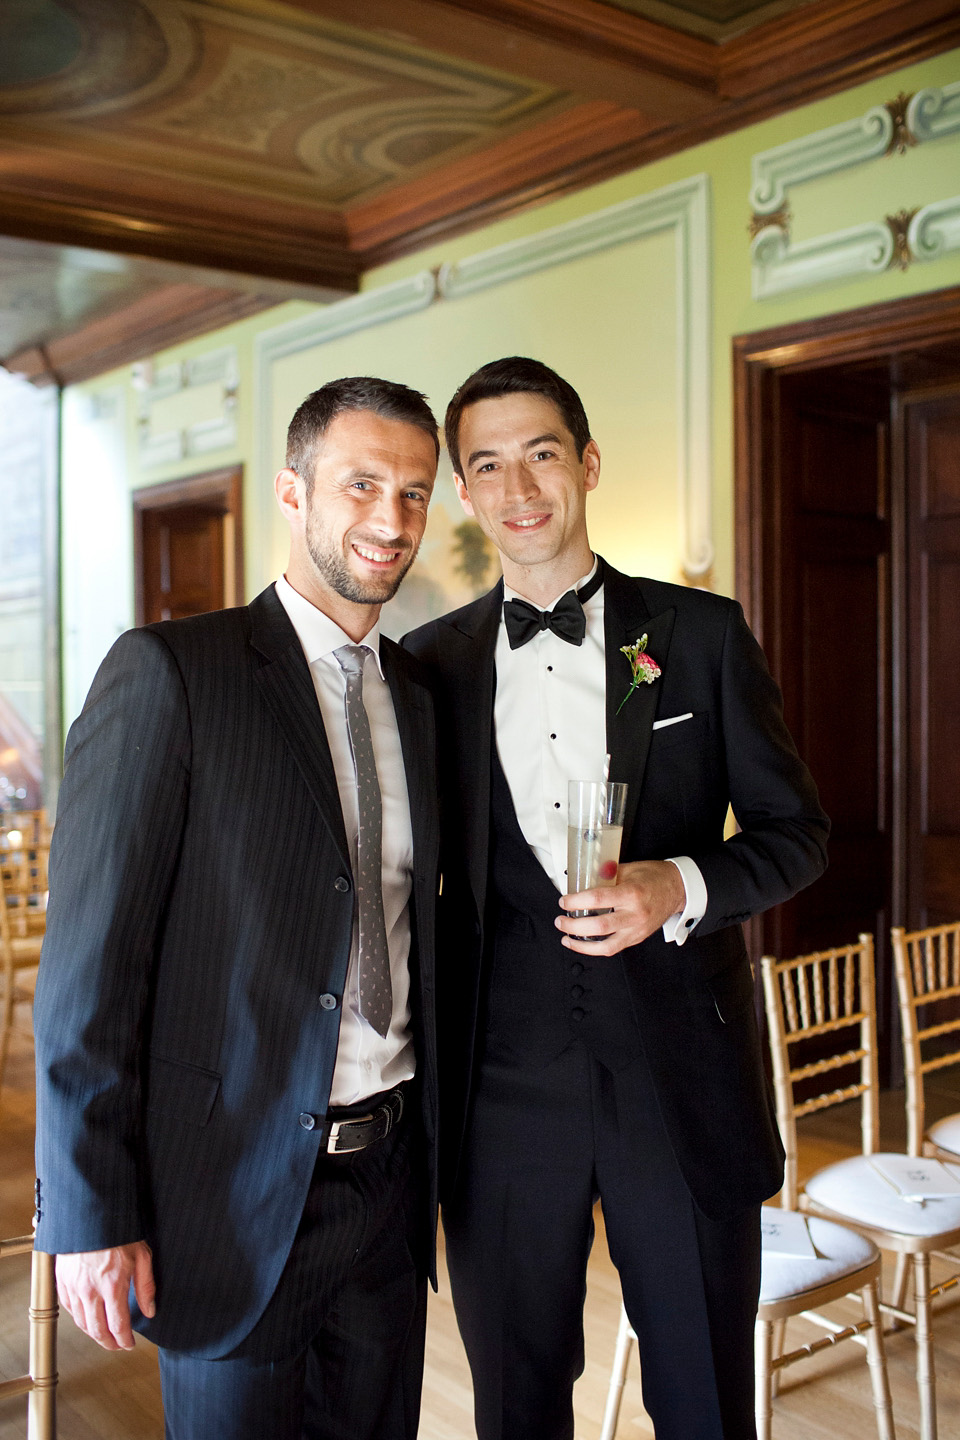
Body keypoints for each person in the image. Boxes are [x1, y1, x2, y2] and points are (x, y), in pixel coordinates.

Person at [404, 357, 829, 1440]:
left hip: (678, 1078)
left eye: (542, 453)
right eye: (487, 465)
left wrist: (677, 883)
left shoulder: (701, 636)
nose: (520, 488)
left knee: (702, 1401)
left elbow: (799, 838)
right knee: (515, 1404)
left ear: (586, 462)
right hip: (500, 1096)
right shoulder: (425, 667)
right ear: (465, 490)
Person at [34, 376, 443, 1440]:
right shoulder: (172, 673)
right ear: (294, 492)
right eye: (363, 484)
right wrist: (89, 1215)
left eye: (414, 492)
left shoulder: (422, 699)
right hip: (228, 1197)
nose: (391, 520)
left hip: (390, 1192)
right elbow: (90, 969)